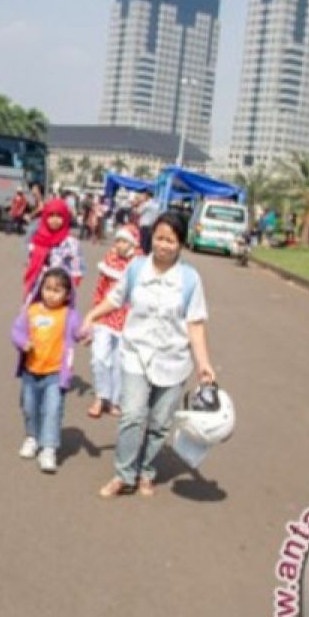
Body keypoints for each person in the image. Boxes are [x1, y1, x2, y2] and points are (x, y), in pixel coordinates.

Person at [78, 212, 215, 498]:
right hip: (136, 353)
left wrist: (203, 364)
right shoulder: (136, 268)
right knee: (131, 415)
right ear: (151, 238)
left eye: (171, 240)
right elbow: (116, 299)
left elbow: (195, 324)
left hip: (173, 360)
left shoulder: (190, 280)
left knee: (159, 423)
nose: (164, 245)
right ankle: (124, 474)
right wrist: (91, 315)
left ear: (181, 243)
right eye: (159, 238)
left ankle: (147, 472)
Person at [10, 267, 84, 474]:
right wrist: (23, 342)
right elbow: (16, 330)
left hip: (55, 374)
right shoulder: (31, 311)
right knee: (29, 408)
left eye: (57, 290)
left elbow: (80, 332)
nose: (51, 294)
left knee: (52, 410)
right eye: (47, 288)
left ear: (68, 294)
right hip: (30, 372)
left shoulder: (69, 315)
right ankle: (32, 437)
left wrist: (88, 333)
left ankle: (49, 449)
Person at [87, 225, 139, 418]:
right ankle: (100, 396)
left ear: (133, 244)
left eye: (124, 241)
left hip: (128, 319)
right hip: (105, 315)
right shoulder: (109, 260)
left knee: (119, 361)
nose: (119, 245)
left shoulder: (139, 264)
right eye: (117, 240)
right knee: (99, 357)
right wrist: (93, 315)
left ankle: (114, 400)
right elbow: (100, 290)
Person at [23, 198, 84, 296]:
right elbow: (29, 265)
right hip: (35, 289)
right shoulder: (37, 239)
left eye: (59, 216)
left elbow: (77, 271)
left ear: (65, 217)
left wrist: (66, 292)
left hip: (58, 293)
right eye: (51, 215)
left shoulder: (71, 243)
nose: (54, 220)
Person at [135, 189, 159, 253]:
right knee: (148, 246)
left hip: (144, 226)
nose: (143, 197)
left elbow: (138, 212)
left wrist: (139, 202)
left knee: (142, 244)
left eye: (144, 195)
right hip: (152, 227)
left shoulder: (147, 204)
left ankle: (141, 259)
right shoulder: (157, 204)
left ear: (147, 196)